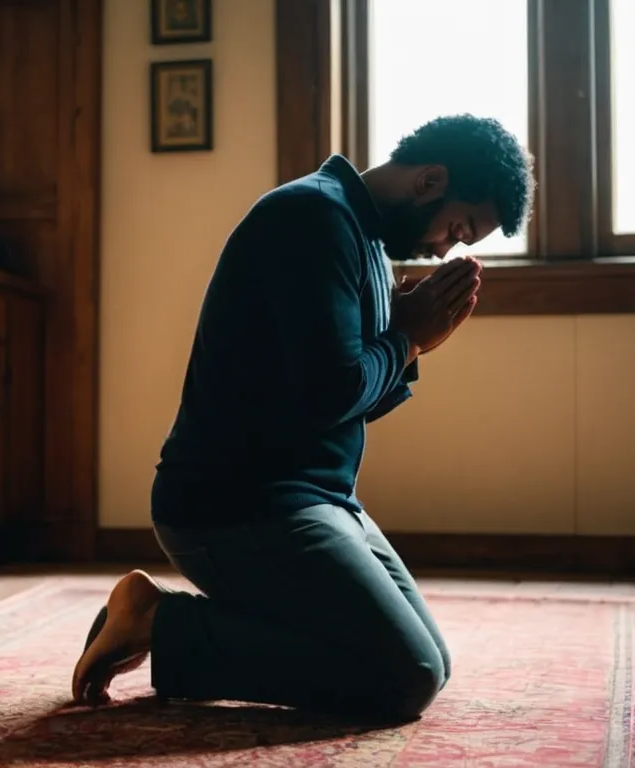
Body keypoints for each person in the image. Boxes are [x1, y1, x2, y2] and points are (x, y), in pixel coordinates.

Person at [72, 114, 535, 722]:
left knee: (433, 663)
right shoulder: (312, 218)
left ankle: (169, 621)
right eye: (459, 227)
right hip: (232, 506)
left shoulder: (362, 236)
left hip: (313, 498)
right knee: (407, 676)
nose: (448, 246)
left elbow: (340, 400)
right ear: (430, 180)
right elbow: (330, 393)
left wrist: (412, 339)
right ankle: (163, 625)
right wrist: (406, 340)